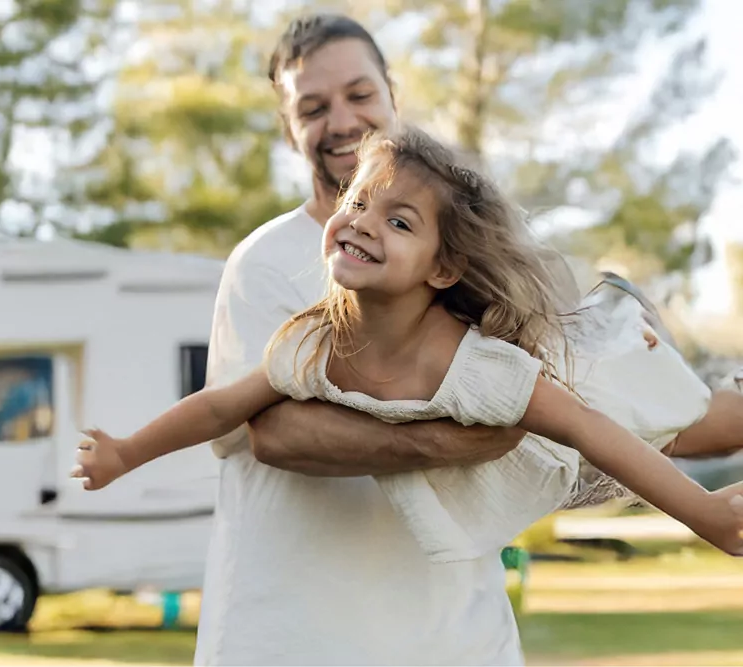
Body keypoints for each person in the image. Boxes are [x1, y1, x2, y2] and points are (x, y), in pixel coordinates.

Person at [79, 14, 741, 665]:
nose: (340, 119)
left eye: (359, 94)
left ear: (393, 94)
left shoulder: (473, 331)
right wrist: (128, 451)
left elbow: (594, 420)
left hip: (453, 638)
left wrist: (696, 498)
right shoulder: (279, 280)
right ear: (289, 128)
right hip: (293, 635)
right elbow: (268, 430)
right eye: (312, 107)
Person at [72, 124, 743, 554]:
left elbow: (591, 427)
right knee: (682, 417)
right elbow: (220, 407)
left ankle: (654, 338)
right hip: (530, 459)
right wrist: (127, 452)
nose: (363, 222)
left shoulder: (476, 366)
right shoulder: (312, 343)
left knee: (693, 417)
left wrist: (704, 514)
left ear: (443, 268)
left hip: (575, 412)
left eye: (399, 222)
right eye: (358, 203)